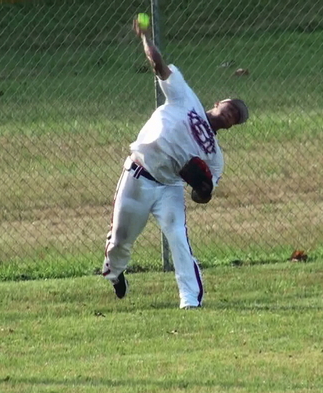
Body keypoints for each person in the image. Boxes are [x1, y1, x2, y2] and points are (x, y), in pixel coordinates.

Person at [101, 16, 249, 310]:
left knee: (179, 238)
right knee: (120, 240)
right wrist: (145, 37)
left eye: (236, 117)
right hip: (138, 174)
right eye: (231, 107)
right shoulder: (186, 98)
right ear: (218, 102)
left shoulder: (215, 156)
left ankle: (190, 300)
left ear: (232, 126)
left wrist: (202, 189)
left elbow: (203, 196)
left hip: (169, 188)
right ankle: (115, 273)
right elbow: (159, 65)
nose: (232, 114)